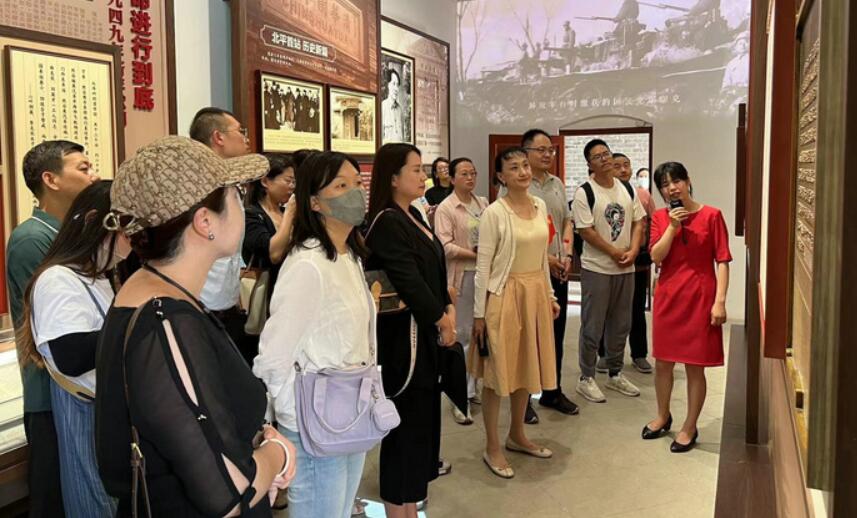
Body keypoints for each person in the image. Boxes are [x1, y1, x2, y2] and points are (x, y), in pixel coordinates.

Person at [95, 136, 296, 515]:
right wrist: (277, 454)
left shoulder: (156, 294)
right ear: (205, 222)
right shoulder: (166, 320)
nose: (242, 202)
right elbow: (228, 495)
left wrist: (257, 436)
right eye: (236, 193)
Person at [253, 151, 372, 518]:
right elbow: (274, 353)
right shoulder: (308, 264)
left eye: (357, 183)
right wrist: (290, 418)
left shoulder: (348, 256)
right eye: (340, 186)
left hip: (350, 407)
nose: (355, 193)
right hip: (313, 418)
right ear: (314, 202)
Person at [16, 181, 123, 517]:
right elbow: (71, 356)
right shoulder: (58, 278)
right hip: (84, 408)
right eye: (124, 227)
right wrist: (134, 325)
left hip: (105, 409)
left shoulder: (99, 276)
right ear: (95, 221)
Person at [5, 139, 100, 518]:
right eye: (83, 168)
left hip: (79, 386)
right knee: (55, 500)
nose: (93, 175)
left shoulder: (68, 233)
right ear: (51, 179)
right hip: (51, 392)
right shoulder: (32, 239)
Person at [365, 143, 456, 518]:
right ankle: (396, 509)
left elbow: (431, 269)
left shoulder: (413, 213)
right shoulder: (386, 221)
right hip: (403, 341)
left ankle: (410, 507)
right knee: (403, 428)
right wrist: (441, 317)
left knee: (420, 427)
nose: (424, 176)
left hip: (424, 333)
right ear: (393, 177)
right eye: (415, 169)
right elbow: (407, 279)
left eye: (423, 169)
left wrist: (446, 305)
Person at [471, 147, 560, 479]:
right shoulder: (495, 213)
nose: (523, 172)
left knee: (526, 366)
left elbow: (542, 257)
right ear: (501, 176)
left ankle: (517, 434)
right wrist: (479, 315)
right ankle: (492, 445)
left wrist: (549, 294)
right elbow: (483, 267)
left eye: (525, 165)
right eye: (514, 167)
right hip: (504, 294)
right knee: (497, 374)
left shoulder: (540, 206)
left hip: (534, 294)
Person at [642, 162, 731, 452]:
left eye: (676, 181)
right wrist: (672, 226)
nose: (672, 188)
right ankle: (662, 415)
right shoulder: (659, 217)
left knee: (695, 367)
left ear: (688, 181)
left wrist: (720, 301)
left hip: (700, 298)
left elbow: (722, 260)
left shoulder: (712, 215)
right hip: (668, 297)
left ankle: (689, 426)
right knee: (663, 363)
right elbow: (656, 256)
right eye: (665, 185)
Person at [572, 139, 645, 403]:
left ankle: (615, 373)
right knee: (593, 324)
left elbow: (639, 221)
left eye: (607, 153)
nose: (604, 159)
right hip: (597, 268)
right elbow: (586, 231)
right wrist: (614, 252)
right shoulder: (585, 192)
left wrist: (633, 250)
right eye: (597, 156)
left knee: (621, 323)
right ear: (589, 164)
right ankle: (586, 377)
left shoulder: (626, 188)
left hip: (626, 268)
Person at [519, 129, 578, 422]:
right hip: (529, 272)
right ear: (526, 152)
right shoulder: (518, 186)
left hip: (558, 270)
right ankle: (523, 399)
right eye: (540, 150)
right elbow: (519, 235)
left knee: (556, 331)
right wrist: (549, 260)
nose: (547, 155)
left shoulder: (557, 183)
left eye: (550, 150)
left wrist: (566, 255)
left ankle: (552, 391)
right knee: (529, 335)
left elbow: (567, 220)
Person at [189, 107, 255, 354]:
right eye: (240, 131)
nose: (246, 139)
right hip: (201, 305)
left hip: (226, 305)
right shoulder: (196, 185)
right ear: (218, 137)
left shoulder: (231, 185)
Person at [434, 157, 489, 425]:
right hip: (462, 276)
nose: (470, 177)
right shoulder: (447, 208)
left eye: (473, 173)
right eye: (464, 173)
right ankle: (460, 397)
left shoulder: (483, 204)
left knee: (481, 332)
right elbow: (445, 246)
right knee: (463, 335)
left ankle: (472, 386)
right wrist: (477, 255)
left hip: (483, 275)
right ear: (452, 178)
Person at [596, 153, 655, 374]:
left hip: (637, 262)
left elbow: (651, 224)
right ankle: (605, 355)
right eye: (617, 166)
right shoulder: (601, 194)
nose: (623, 170)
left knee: (636, 310)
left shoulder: (642, 195)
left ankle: (639, 354)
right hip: (609, 260)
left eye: (626, 165)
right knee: (607, 310)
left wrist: (643, 252)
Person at [240, 154, 297, 364]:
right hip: (265, 295)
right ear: (265, 181)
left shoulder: (284, 212)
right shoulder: (251, 215)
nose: (292, 187)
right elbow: (274, 253)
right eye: (288, 180)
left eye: (294, 182)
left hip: (288, 294)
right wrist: (289, 215)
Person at [381, 68, 404, 143]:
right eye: (393, 84)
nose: (396, 89)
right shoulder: (382, 107)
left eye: (397, 85)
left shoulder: (400, 110)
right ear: (388, 85)